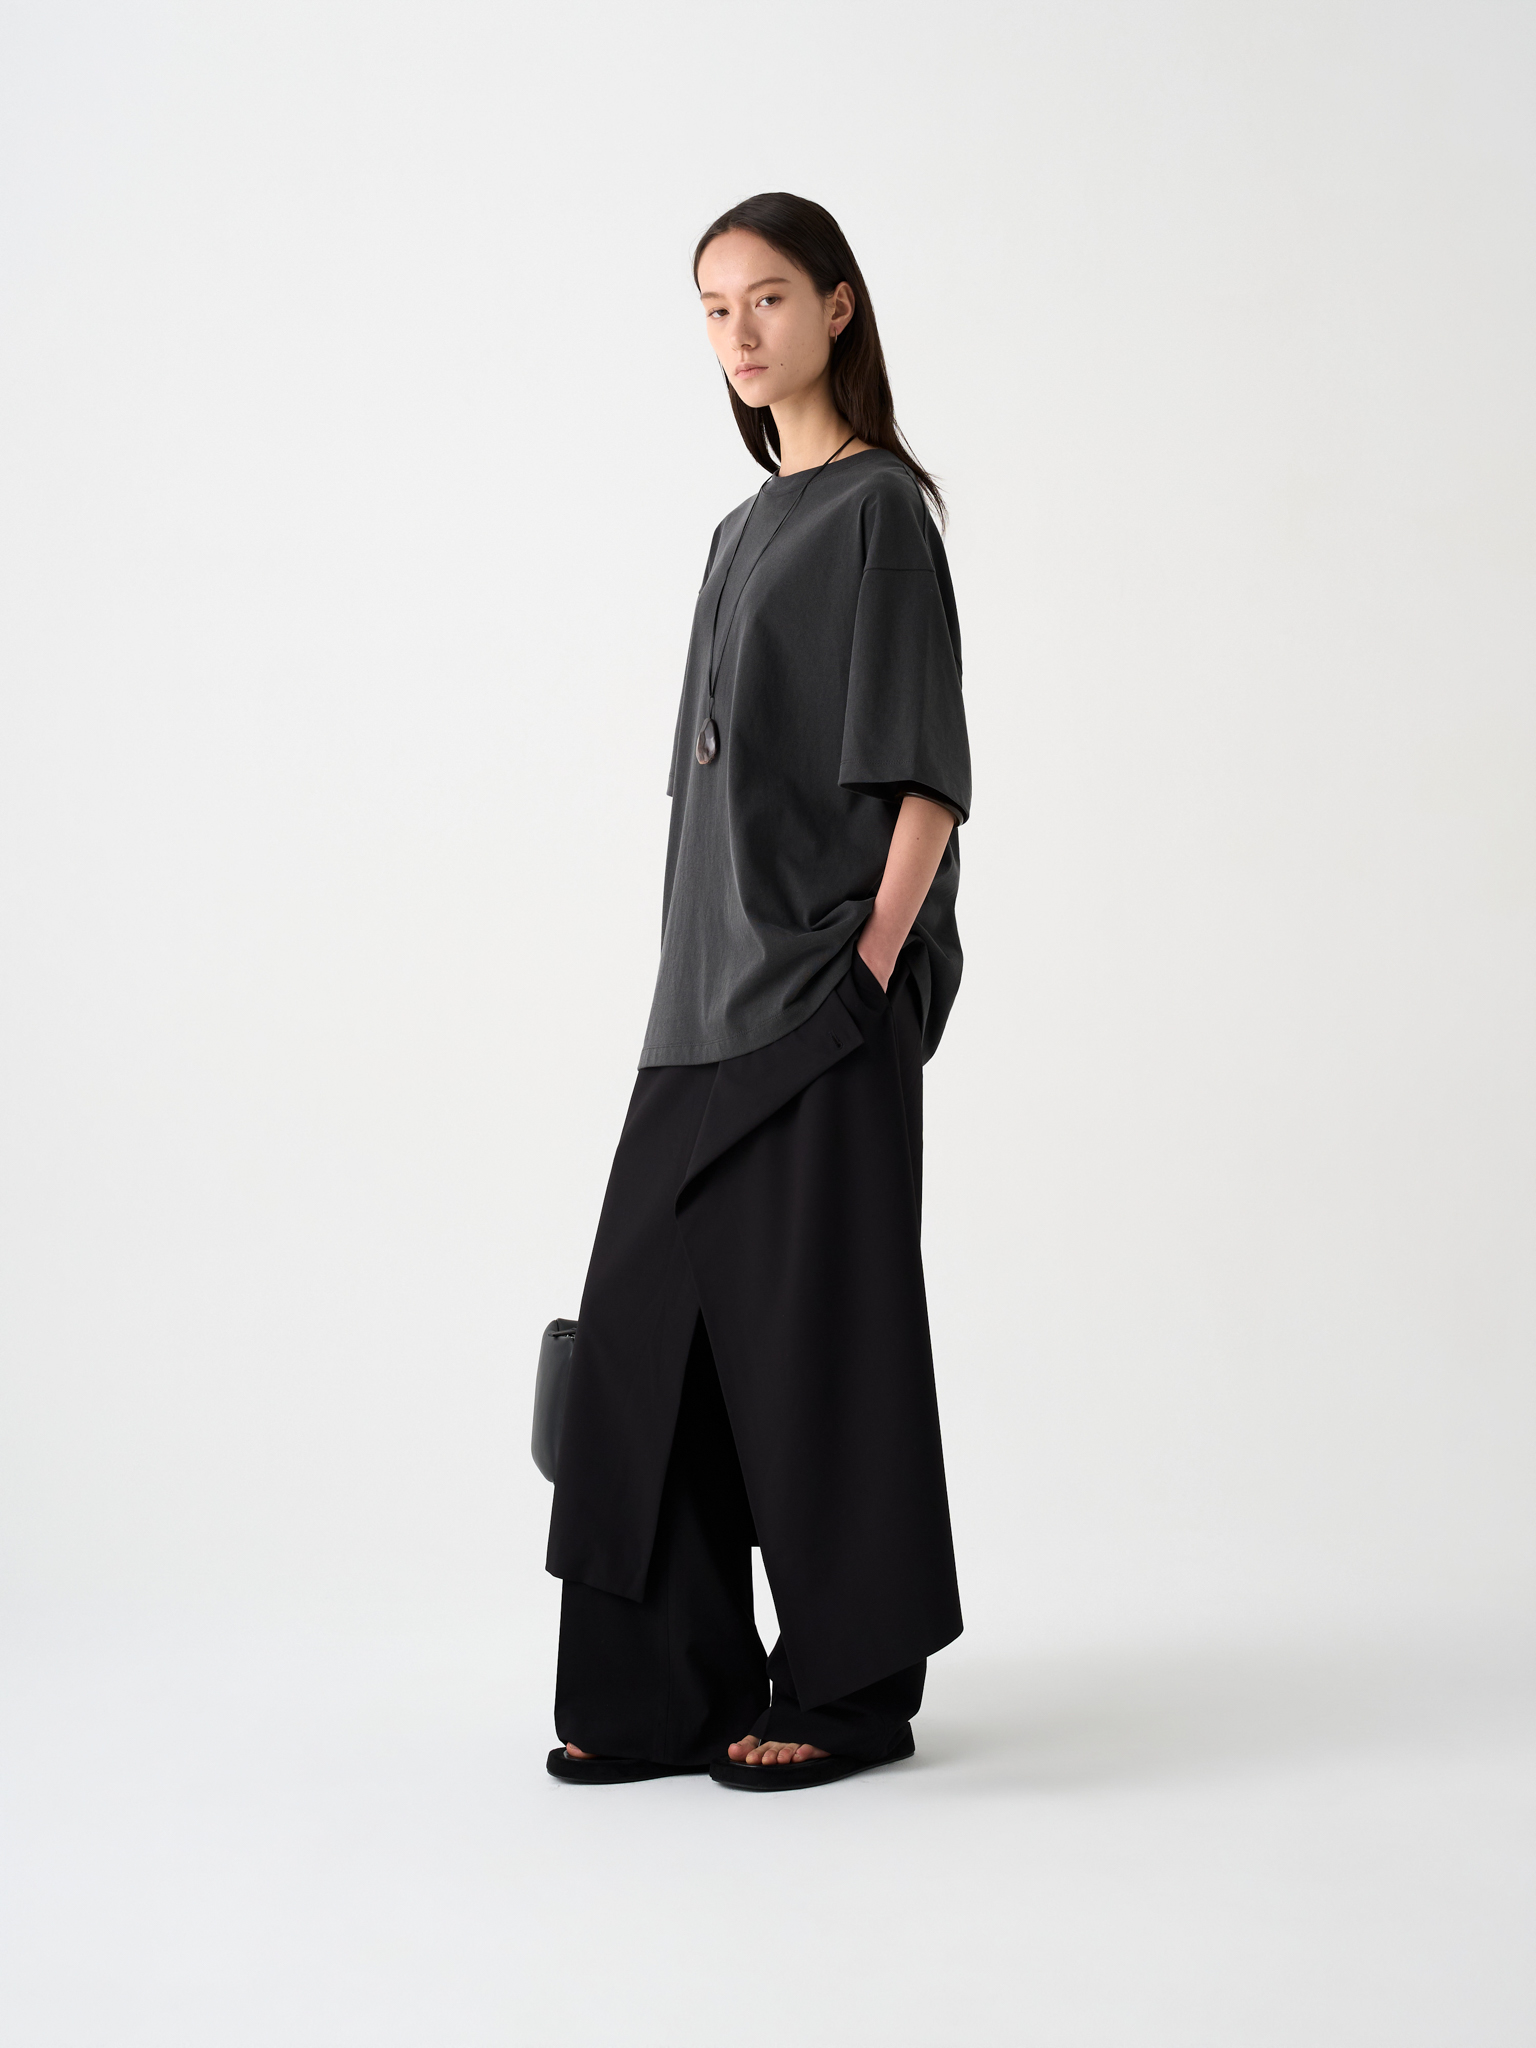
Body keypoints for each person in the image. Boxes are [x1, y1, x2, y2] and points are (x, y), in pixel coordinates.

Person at [544, 192, 972, 1792]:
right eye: (714, 306)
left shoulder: (880, 513)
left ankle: (851, 1692)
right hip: (701, 1006)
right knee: (642, 1339)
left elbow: (926, 777)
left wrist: (868, 967)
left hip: (819, 999)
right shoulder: (738, 533)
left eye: (769, 297)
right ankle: (660, 1691)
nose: (738, 331)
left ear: (839, 307)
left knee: (819, 1340)